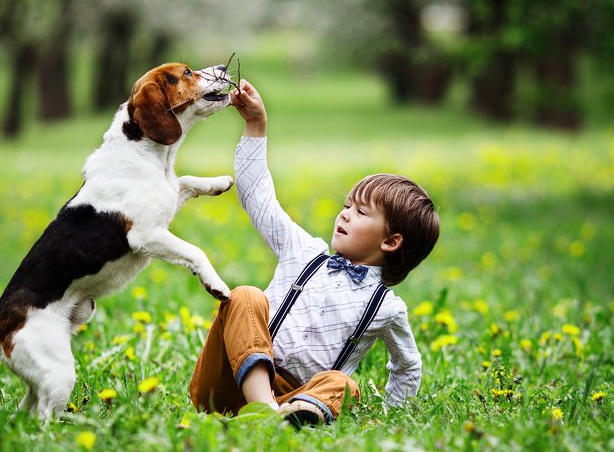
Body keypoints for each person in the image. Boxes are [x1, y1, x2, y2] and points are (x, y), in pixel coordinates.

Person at [189, 79, 440, 426]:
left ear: (391, 242)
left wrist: (391, 417)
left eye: (361, 212)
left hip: (296, 395)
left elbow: (407, 365)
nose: (344, 215)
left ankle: (294, 415)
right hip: (226, 383)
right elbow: (258, 198)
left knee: (344, 385)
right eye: (346, 206)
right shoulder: (304, 252)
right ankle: (263, 411)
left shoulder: (386, 308)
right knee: (245, 296)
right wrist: (256, 126)